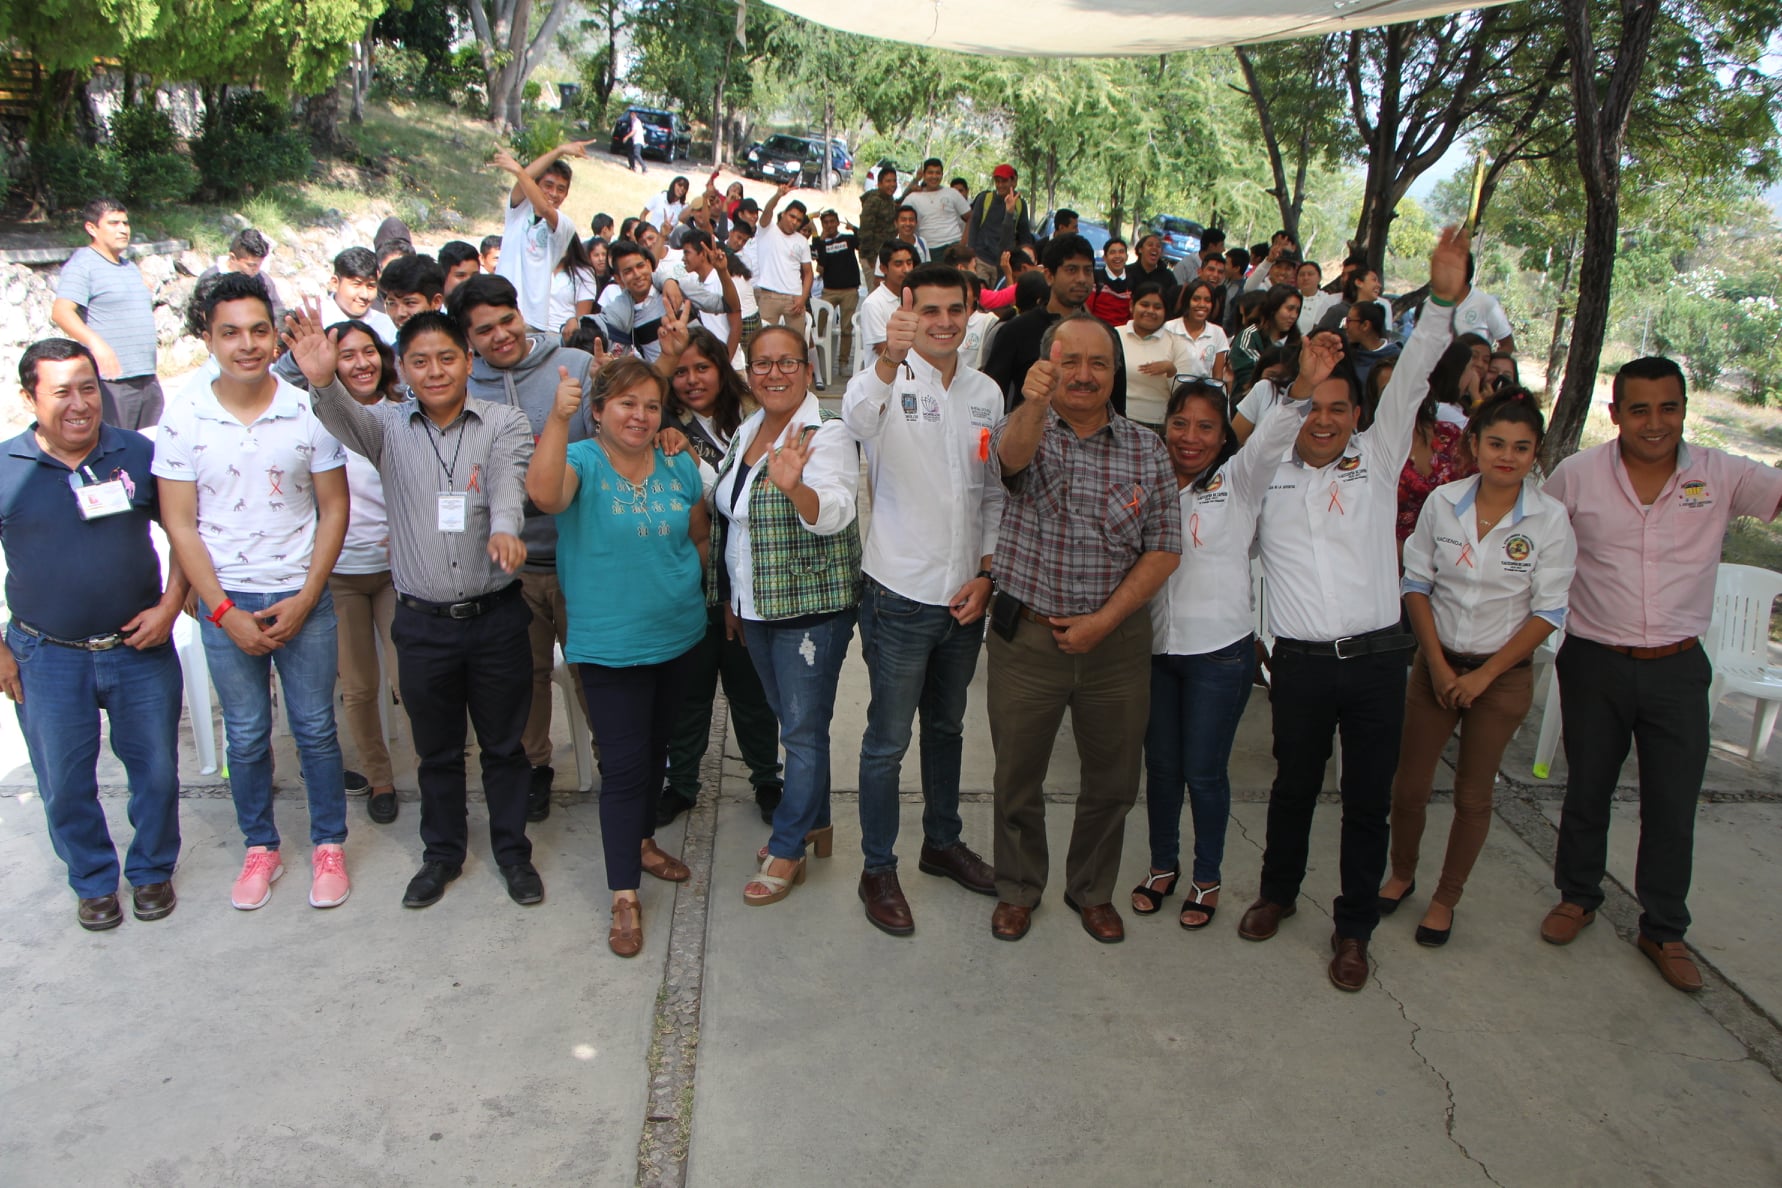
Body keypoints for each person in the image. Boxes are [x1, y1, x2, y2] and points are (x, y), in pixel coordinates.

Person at [1238, 226, 1468, 992]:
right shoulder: (1265, 473)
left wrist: (1439, 296)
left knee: (1367, 800)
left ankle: (1353, 927)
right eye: (1314, 409)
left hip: (1376, 661)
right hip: (1299, 665)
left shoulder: (1378, 450)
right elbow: (1260, 446)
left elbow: (1417, 369)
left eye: (1340, 407)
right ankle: (1276, 894)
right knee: (1293, 788)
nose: (1326, 420)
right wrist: (1297, 385)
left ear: (1358, 414)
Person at [1539, 356, 1782, 992]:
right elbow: (1534, 543)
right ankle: (1577, 896)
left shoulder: (1722, 473)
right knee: (1587, 787)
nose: (1655, 423)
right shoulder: (1577, 476)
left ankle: (1664, 929)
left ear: (1684, 409)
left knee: (1672, 804)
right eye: (1639, 409)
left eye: (1668, 408)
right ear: (1615, 413)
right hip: (1594, 660)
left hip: (1677, 667)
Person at [292, 305, 544, 911]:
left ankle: (512, 852)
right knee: (435, 749)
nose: (435, 372)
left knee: (505, 748)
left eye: (447, 358)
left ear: (468, 360)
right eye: (421, 361)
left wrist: (508, 530)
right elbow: (339, 417)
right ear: (400, 368)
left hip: (496, 615)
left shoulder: (505, 420)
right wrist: (323, 380)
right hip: (423, 623)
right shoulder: (385, 427)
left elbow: (510, 485)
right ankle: (442, 854)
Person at [152, 274, 352, 912]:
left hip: (302, 593)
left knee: (316, 727)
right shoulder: (183, 417)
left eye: (259, 330)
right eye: (230, 332)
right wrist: (221, 610)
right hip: (224, 601)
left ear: (276, 336)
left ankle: (328, 843)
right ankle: (260, 846)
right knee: (244, 732)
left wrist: (307, 595)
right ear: (207, 338)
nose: (247, 345)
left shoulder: (306, 409)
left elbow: (334, 509)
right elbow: (180, 523)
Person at [986, 314, 1182, 944]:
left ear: (1115, 373)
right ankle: (1018, 888)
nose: (1084, 374)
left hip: (1115, 645)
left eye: (1099, 363)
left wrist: (1105, 621)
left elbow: (1164, 550)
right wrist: (1031, 403)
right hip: (1028, 640)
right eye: (1070, 361)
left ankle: (1091, 889)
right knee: (1018, 777)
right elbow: (1007, 463)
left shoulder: (1146, 449)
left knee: (1115, 780)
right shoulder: (1026, 428)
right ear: (1048, 366)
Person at [1, 338, 188, 930]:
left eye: (89, 387)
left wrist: (170, 604)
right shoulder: (5, 467)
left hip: (139, 648)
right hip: (45, 654)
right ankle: (92, 880)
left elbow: (185, 532)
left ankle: (152, 870)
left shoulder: (135, 452)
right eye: (61, 392)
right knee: (63, 782)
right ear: (30, 397)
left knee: (156, 770)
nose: (80, 403)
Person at [841, 266, 1003, 935]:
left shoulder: (986, 392)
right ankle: (878, 867)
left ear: (971, 314)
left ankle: (942, 842)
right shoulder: (883, 377)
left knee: (946, 729)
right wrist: (888, 355)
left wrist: (988, 574)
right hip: (899, 597)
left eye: (953, 310)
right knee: (886, 742)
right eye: (928, 310)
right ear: (907, 313)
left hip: (964, 600)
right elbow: (855, 418)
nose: (942, 322)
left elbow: (992, 491)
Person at [1382, 390, 1575, 947]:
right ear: (1474, 444)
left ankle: (1445, 898)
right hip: (1436, 668)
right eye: (1495, 443)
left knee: (1472, 795)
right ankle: (1401, 874)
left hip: (1502, 676)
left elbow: (1548, 611)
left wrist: (1482, 678)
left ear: (1536, 452)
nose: (1506, 456)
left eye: (1521, 447)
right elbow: (1416, 584)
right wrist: (1439, 668)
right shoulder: (1444, 502)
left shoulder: (1549, 519)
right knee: (1410, 787)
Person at [527, 354, 704, 955]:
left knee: (657, 752)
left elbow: (698, 535)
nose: (641, 416)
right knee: (625, 770)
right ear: (598, 411)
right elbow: (545, 496)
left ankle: (643, 841)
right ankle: (623, 895)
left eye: (652, 405)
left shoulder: (678, 461)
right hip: (609, 647)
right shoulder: (581, 461)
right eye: (627, 403)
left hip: (679, 636)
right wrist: (558, 417)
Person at [1133, 377, 1305, 929]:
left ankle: (1207, 877)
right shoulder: (1148, 482)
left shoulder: (1241, 479)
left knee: (1203, 772)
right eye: (1180, 424)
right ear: (1164, 428)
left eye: (1207, 426)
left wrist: (1301, 383)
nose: (1191, 437)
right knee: (1160, 769)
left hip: (1219, 657)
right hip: (1156, 651)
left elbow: (1276, 432)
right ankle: (1163, 867)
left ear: (1224, 435)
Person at [711, 327, 862, 906]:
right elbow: (732, 510)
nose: (774, 374)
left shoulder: (828, 433)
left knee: (800, 731)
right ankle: (815, 820)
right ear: (749, 373)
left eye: (786, 363)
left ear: (808, 369)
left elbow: (836, 512)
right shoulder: (750, 429)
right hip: (756, 607)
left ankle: (790, 844)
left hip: (808, 612)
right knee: (793, 723)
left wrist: (797, 489)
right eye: (762, 365)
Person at [451, 274, 599, 821]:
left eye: (506, 320)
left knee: (592, 668)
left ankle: (617, 764)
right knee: (527, 675)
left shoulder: (575, 367)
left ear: (522, 311)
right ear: (469, 340)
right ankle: (536, 766)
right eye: (484, 331)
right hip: (509, 568)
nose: (500, 336)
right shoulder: (465, 388)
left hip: (579, 559)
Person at [658, 327, 784, 826]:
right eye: (681, 371)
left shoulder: (757, 421)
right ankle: (682, 782)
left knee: (750, 689)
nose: (692, 380)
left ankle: (767, 779)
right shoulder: (664, 426)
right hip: (690, 579)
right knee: (689, 691)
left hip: (749, 576)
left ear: (722, 369)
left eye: (702, 368)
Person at [323, 320, 406, 825]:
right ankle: (380, 778)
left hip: (398, 572)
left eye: (368, 351)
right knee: (357, 687)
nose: (361, 362)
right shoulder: (314, 421)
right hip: (340, 575)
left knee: (409, 680)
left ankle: (441, 770)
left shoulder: (403, 414)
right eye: (347, 355)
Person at [982, 234, 1128, 416]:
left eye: (1088, 271)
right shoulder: (1016, 331)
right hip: (1028, 436)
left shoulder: (1107, 336)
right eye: (1072, 270)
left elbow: (1118, 409)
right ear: (1049, 276)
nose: (1082, 279)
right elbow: (990, 400)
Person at [51, 198, 163, 429]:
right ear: (92, 228)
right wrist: (97, 344)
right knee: (117, 455)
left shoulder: (129, 267)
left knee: (150, 452)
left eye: (125, 223)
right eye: (113, 223)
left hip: (147, 378)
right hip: (113, 383)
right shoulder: (83, 264)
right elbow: (61, 312)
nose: (123, 229)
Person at [493, 140, 591, 332]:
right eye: (548, 185)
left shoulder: (564, 224)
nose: (553, 193)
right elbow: (526, 179)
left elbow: (545, 209)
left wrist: (518, 171)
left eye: (561, 189)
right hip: (499, 307)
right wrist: (560, 150)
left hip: (532, 319)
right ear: (535, 184)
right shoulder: (518, 211)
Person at [1117, 283, 1196, 430]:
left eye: (1158, 307)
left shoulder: (1177, 343)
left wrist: (1170, 370)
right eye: (1144, 305)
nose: (1150, 311)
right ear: (1132, 305)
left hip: (1157, 424)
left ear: (1166, 312)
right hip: (1115, 418)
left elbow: (1185, 393)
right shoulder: (1114, 335)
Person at [753, 185, 814, 341]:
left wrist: (802, 298)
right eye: (791, 216)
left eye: (798, 220)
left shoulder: (801, 241)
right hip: (768, 295)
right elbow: (767, 211)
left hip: (794, 299)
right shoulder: (767, 229)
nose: (794, 222)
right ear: (783, 214)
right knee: (764, 341)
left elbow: (808, 273)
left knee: (796, 343)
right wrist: (778, 195)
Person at [965, 165, 1034, 289]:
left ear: (1013, 181)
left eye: (1004, 181)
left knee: (999, 298)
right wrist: (971, 253)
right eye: (998, 181)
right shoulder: (984, 199)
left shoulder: (1020, 205)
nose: (1000, 185)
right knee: (980, 293)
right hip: (982, 258)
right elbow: (974, 225)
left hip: (1004, 262)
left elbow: (1024, 234)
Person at [1229, 284, 1302, 396]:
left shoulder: (1297, 343)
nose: (1294, 316)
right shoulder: (1249, 336)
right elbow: (1249, 376)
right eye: (1289, 309)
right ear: (1273, 308)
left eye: (1297, 311)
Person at [320, 247, 399, 345]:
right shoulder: (315, 320)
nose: (364, 295)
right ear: (335, 283)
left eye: (371, 286)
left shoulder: (386, 325)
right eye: (356, 284)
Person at [814, 210, 862, 369]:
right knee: (819, 325)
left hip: (849, 289)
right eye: (826, 222)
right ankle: (818, 363)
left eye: (832, 221)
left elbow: (864, 241)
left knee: (846, 329)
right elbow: (820, 268)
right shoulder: (821, 243)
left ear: (837, 222)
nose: (829, 225)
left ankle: (843, 363)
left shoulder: (848, 239)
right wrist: (821, 242)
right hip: (829, 290)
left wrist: (854, 228)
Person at [898, 158, 972, 256]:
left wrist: (962, 243)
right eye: (930, 173)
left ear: (942, 174)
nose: (934, 176)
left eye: (938, 173)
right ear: (923, 175)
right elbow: (900, 219)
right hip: (928, 248)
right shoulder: (913, 197)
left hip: (954, 246)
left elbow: (971, 217)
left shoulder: (952, 193)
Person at [1167, 278, 1232, 388]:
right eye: (1196, 299)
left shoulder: (1218, 333)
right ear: (1187, 301)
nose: (1202, 304)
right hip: (1170, 394)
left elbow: (1217, 376)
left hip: (1201, 396)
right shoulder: (1169, 328)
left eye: (1207, 300)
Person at [858, 242, 917, 361]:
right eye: (898, 264)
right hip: (888, 375)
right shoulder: (873, 304)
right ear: (883, 269)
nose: (906, 269)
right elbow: (882, 350)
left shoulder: (916, 296)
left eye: (909, 263)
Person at [548, 235, 601, 343]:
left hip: (563, 337)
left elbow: (580, 318)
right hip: (537, 334)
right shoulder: (542, 269)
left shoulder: (583, 272)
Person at [857, 166, 900, 290]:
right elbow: (865, 231)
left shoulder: (889, 200)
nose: (892, 184)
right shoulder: (873, 201)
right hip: (872, 256)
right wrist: (871, 258)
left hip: (884, 255)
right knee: (876, 293)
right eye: (888, 181)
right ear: (879, 183)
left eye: (894, 181)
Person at [1342, 301, 1400, 390]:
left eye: (1349, 321)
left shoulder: (1396, 358)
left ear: (1365, 325)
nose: (1345, 326)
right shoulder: (1348, 356)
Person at [1088, 238, 1134, 327]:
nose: (1117, 256)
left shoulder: (1133, 281)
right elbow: (1087, 309)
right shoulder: (1095, 278)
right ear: (1104, 258)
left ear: (1127, 257)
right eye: (1112, 252)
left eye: (1121, 252)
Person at [1295, 261, 1339, 334]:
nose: (1305, 278)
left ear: (1319, 278)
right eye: (1302, 275)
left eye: (1310, 274)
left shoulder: (1328, 300)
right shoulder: (1289, 297)